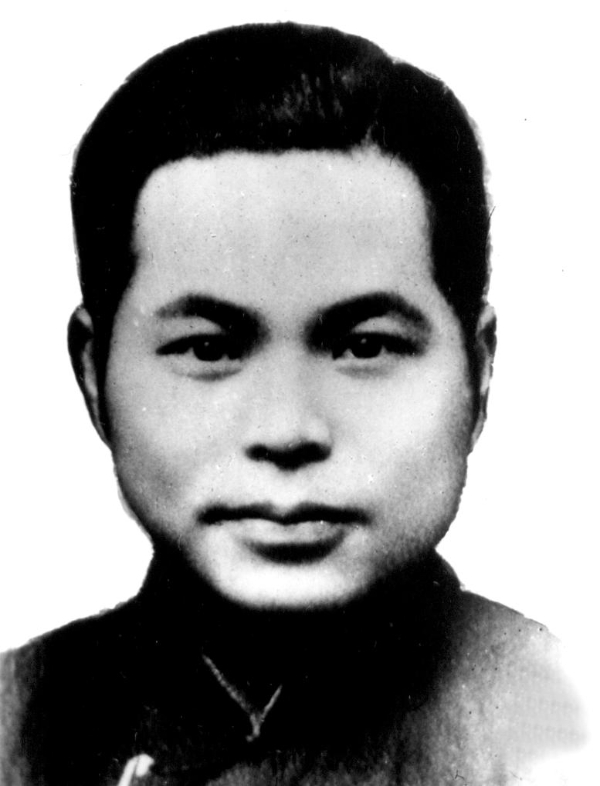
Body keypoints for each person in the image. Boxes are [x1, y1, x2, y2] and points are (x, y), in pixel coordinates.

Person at [0, 21, 585, 786]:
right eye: (207, 348)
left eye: (365, 346)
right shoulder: (15, 727)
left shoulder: (572, 721)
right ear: (92, 373)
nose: (286, 431)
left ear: (478, 372)